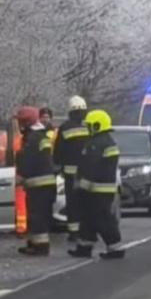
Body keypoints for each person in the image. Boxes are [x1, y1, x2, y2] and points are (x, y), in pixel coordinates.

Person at [69, 109, 125, 259]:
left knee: (102, 220)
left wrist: (81, 185)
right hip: (100, 188)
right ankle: (84, 247)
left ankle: (115, 248)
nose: (88, 129)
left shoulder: (97, 144)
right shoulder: (105, 141)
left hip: (96, 189)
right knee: (88, 218)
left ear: (97, 125)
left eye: (90, 126)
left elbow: (90, 167)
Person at [15, 106, 57, 256]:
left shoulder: (32, 139)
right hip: (43, 183)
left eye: (21, 122)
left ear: (27, 122)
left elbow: (29, 160)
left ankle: (41, 247)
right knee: (36, 215)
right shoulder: (40, 136)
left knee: (38, 216)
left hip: (39, 184)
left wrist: (20, 175)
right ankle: (34, 243)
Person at [52, 96, 89, 242]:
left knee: (72, 204)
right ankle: (86, 231)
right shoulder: (89, 127)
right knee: (85, 202)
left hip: (70, 174)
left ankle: (74, 233)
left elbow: (58, 151)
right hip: (86, 173)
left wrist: (57, 166)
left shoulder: (65, 128)